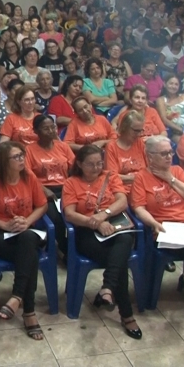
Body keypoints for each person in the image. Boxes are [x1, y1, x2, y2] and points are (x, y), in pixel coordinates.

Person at [0, 141, 48, 340]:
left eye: (22, 155)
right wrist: (3, 225)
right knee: (29, 259)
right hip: (2, 237)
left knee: (29, 239)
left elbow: (42, 205)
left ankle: (17, 297)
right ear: (4, 162)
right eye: (17, 157)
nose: (22, 159)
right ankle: (27, 312)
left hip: (27, 234)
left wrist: (28, 221)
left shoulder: (29, 177)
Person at [62, 145, 141, 340]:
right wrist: (94, 223)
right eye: (90, 164)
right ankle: (125, 313)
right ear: (79, 164)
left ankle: (108, 288)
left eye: (99, 163)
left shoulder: (110, 176)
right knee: (119, 263)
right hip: (86, 232)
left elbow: (122, 201)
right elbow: (70, 214)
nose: (96, 167)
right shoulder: (71, 183)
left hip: (115, 226)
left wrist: (103, 215)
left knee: (124, 240)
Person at [131, 135, 184, 297]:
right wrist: (153, 224)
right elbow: (139, 209)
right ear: (150, 156)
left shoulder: (177, 171)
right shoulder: (141, 178)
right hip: (165, 230)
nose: (169, 157)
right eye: (163, 154)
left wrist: (170, 179)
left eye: (170, 153)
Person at [25, 114, 75, 255]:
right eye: (45, 128)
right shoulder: (29, 150)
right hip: (43, 191)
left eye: (52, 127)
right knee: (56, 217)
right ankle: (67, 251)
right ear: (36, 131)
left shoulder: (63, 147)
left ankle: (77, 246)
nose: (51, 131)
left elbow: (75, 169)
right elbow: (28, 176)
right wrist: (43, 189)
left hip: (65, 188)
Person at [105, 110, 147, 184]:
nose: (139, 134)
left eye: (141, 130)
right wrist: (136, 178)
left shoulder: (140, 142)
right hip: (121, 186)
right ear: (125, 127)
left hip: (142, 185)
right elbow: (111, 175)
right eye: (135, 131)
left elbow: (151, 169)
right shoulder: (112, 147)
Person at [156, 75, 184, 141]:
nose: (173, 86)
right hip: (176, 132)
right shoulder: (161, 100)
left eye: (176, 84)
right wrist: (182, 130)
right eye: (171, 83)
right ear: (165, 84)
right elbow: (164, 119)